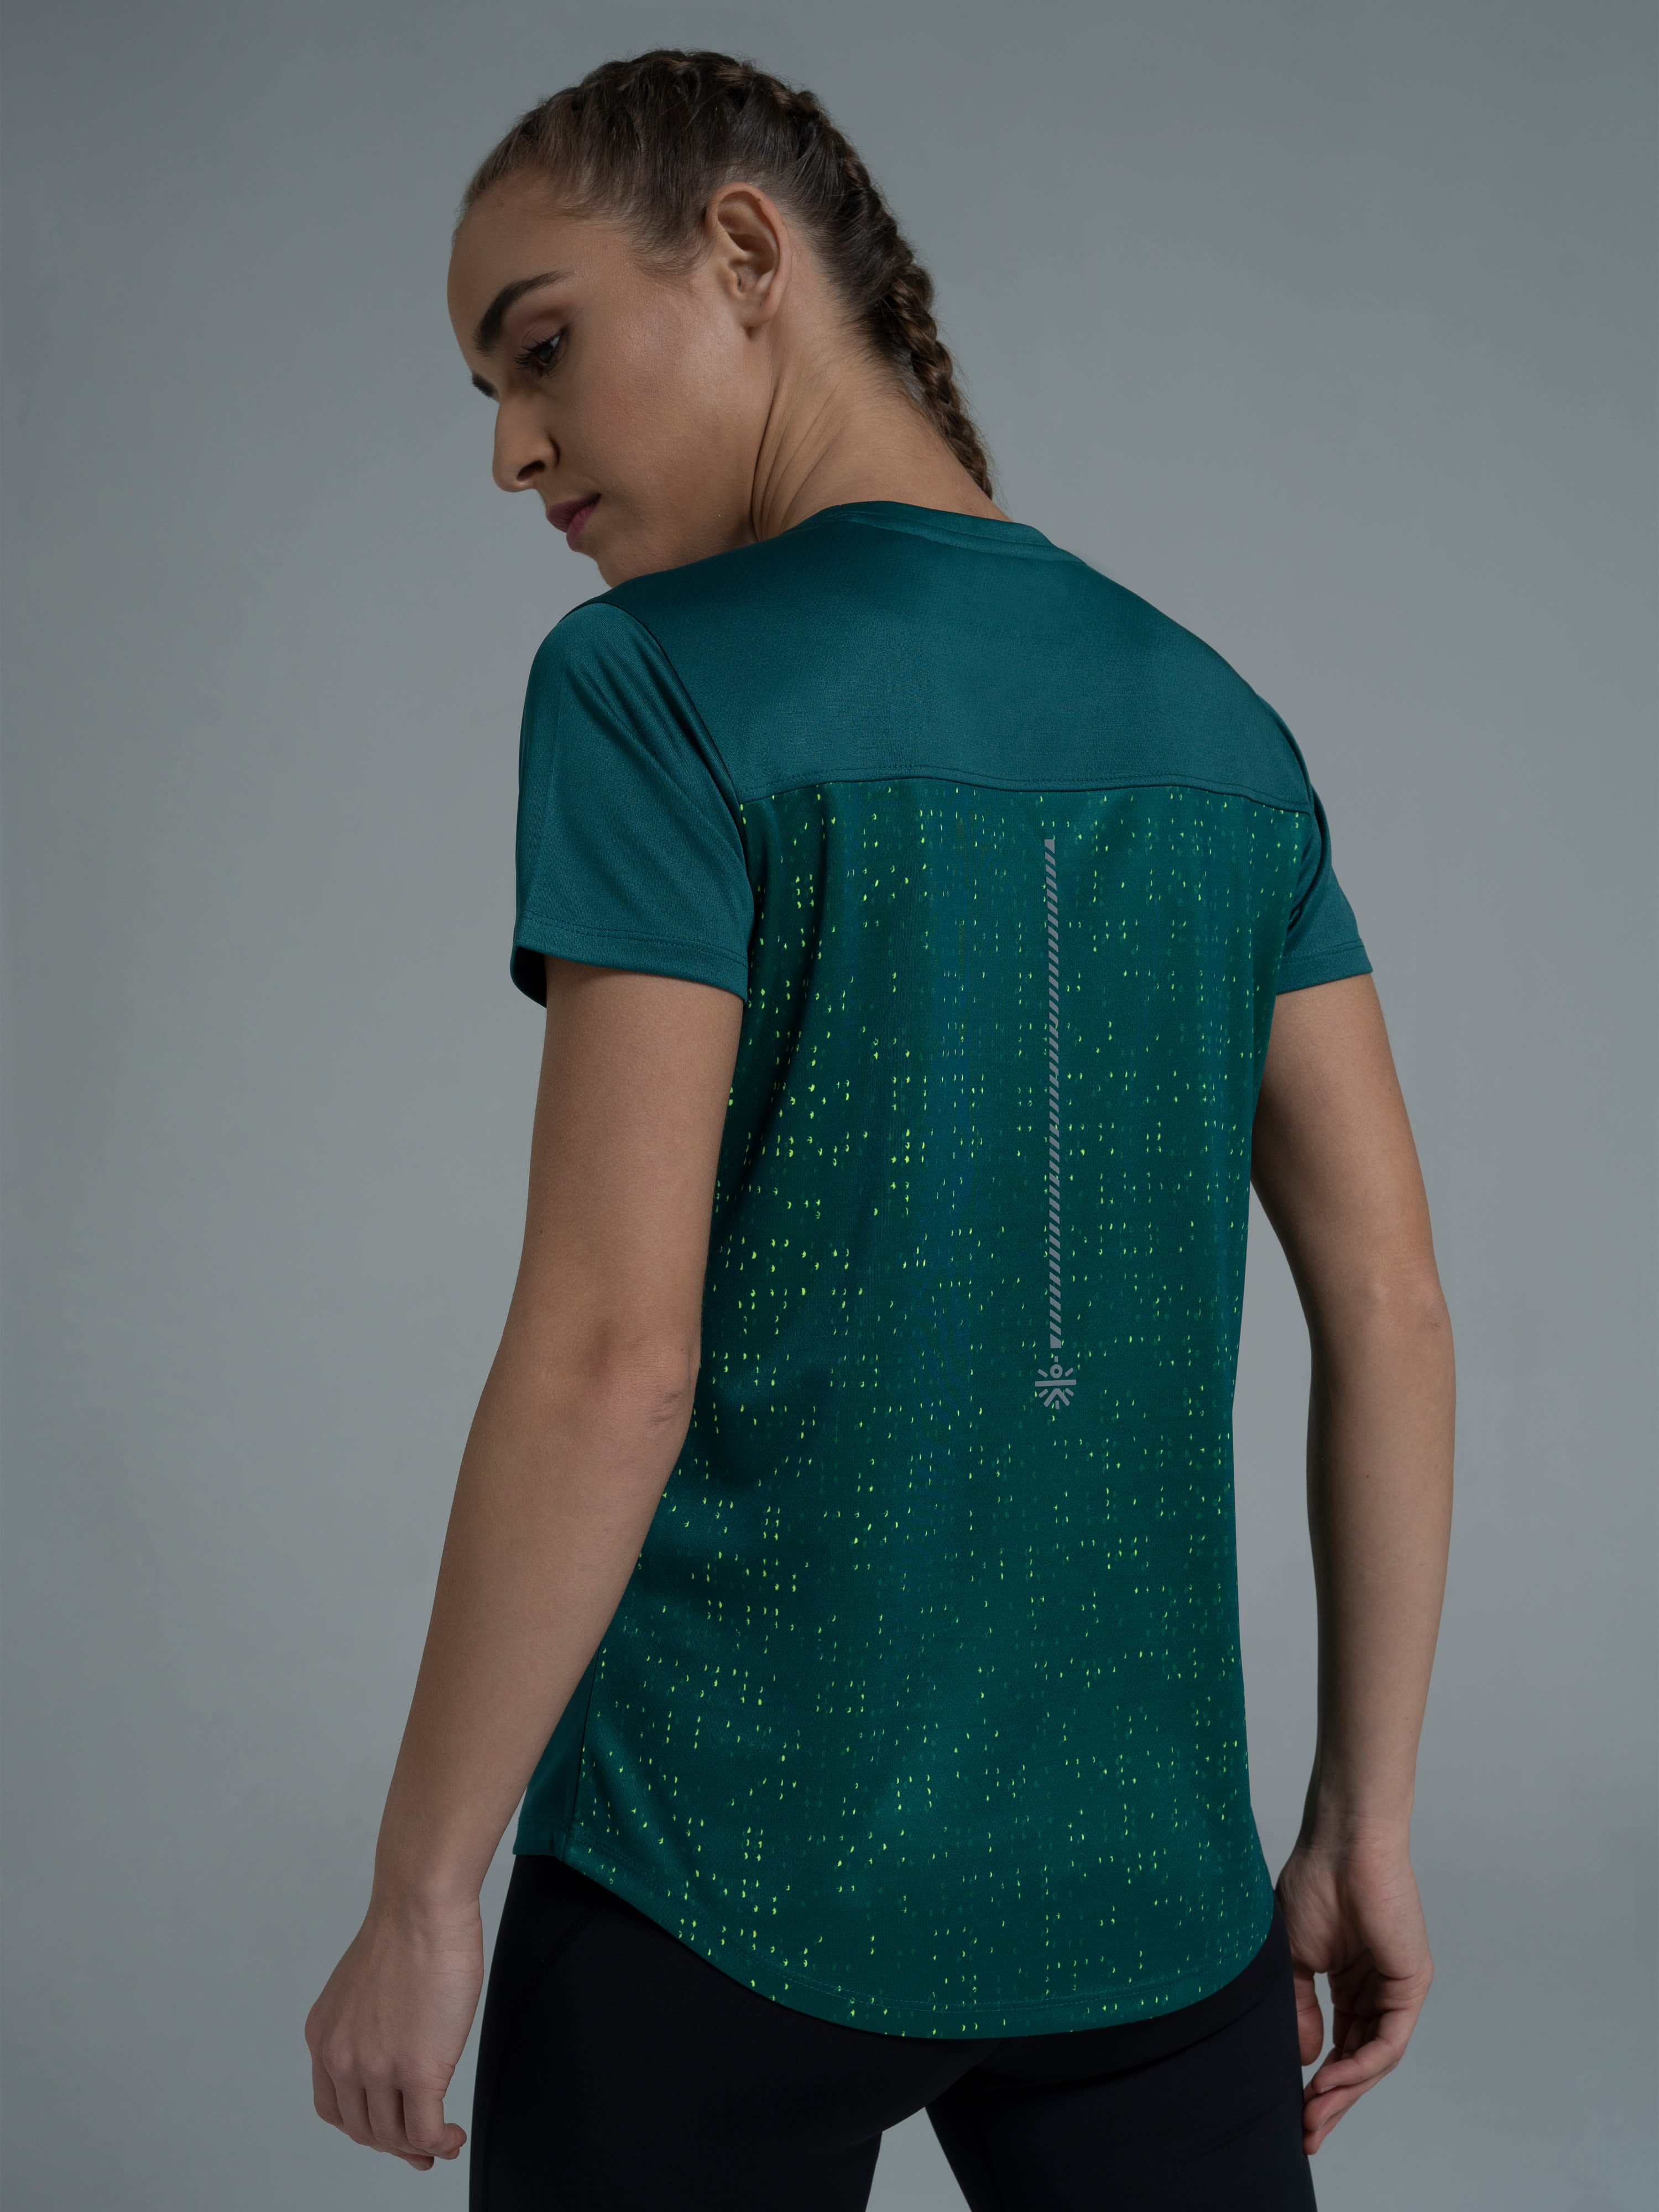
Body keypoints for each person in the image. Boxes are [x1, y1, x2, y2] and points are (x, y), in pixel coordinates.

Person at [304, 49, 1454, 2212]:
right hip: (1156, 1917)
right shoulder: (1224, 724)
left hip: (715, 1886)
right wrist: (1362, 1822)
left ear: (746, 253)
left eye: (539, 349)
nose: (509, 447)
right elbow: (1389, 1299)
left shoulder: (647, 682)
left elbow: (613, 1354)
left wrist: (423, 1888)